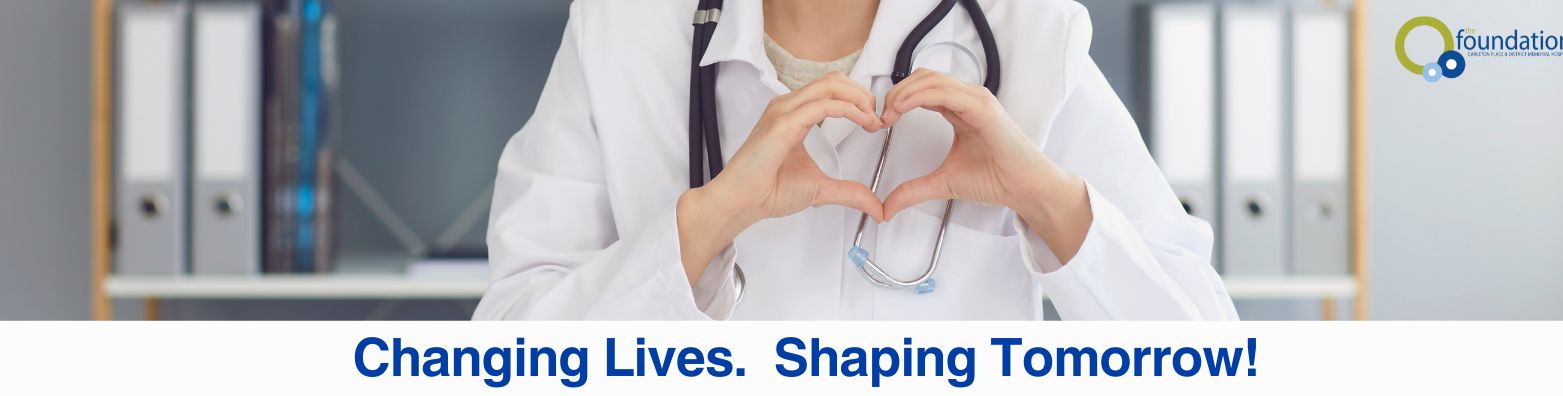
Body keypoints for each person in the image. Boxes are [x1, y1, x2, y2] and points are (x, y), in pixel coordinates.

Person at [473, 0, 1237, 320]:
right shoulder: (622, 29)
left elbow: (1208, 354)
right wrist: (703, 226)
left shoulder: (1024, 33)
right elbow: (505, 356)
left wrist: (1049, 202)